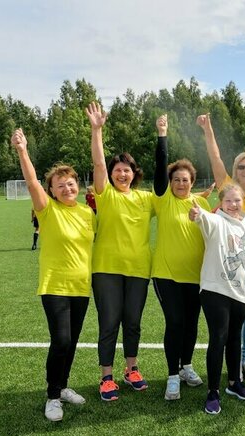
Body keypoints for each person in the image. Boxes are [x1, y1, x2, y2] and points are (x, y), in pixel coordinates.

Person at [11, 128, 95, 421]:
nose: (66, 188)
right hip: (55, 286)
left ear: (77, 185)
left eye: (70, 184)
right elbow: (32, 181)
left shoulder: (87, 213)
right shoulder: (47, 210)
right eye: (60, 185)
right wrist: (23, 149)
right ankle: (52, 396)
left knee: (71, 342)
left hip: (81, 287)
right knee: (60, 340)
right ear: (52, 190)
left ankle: (63, 386)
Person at [85, 101, 155, 402]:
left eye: (126, 170)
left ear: (134, 173)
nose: (122, 174)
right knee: (109, 322)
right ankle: (106, 376)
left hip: (139, 269)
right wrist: (97, 130)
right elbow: (98, 164)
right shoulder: (105, 195)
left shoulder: (146, 198)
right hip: (107, 269)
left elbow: (177, 199)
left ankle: (132, 369)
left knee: (134, 322)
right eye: (117, 170)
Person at [197, 113, 245, 382]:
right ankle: (231, 367)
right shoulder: (229, 188)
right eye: (242, 167)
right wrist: (208, 130)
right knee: (229, 322)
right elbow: (215, 157)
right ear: (236, 171)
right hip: (227, 268)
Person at [151, 114, 212, 400]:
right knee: (175, 323)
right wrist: (163, 134)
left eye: (185, 180)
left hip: (196, 277)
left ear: (192, 182)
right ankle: (172, 376)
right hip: (166, 275)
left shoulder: (201, 203)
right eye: (176, 179)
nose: (180, 183)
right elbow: (160, 171)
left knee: (191, 324)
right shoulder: (163, 200)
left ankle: (187, 366)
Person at [189, 183, 245, 414]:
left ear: (243, 202)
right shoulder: (216, 221)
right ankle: (213, 391)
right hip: (215, 291)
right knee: (218, 337)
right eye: (228, 201)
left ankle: (233, 383)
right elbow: (202, 220)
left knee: (234, 339)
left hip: (241, 294)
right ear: (221, 203)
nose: (233, 205)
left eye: (237, 200)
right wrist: (198, 214)